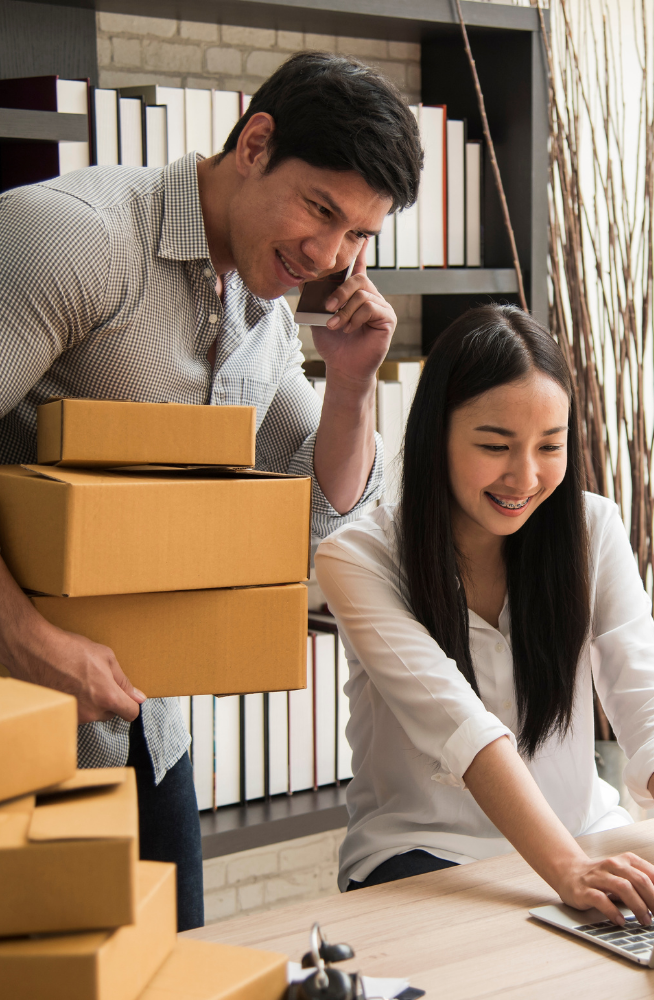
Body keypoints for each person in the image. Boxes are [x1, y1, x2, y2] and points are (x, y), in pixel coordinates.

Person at [0, 52, 422, 930]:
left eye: (357, 237)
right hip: (17, 727)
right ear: (255, 143)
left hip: (148, 736)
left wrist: (349, 389)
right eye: (320, 209)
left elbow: (318, 511)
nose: (329, 255)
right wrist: (28, 637)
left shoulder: (261, 318)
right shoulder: (73, 235)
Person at [315, 305, 654, 925]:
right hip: (428, 856)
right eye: (495, 445)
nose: (525, 476)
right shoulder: (357, 558)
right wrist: (567, 870)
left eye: (549, 446)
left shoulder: (593, 530)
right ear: (435, 436)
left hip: (587, 836)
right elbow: (461, 727)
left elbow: (649, 700)